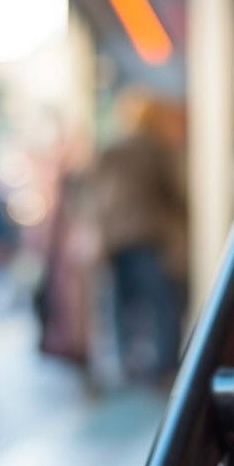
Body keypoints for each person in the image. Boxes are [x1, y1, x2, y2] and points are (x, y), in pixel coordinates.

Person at [79, 93, 187, 383]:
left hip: (115, 238)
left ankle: (125, 361)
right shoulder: (155, 148)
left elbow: (91, 193)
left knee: (122, 304)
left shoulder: (110, 149)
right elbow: (175, 192)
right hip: (147, 235)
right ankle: (163, 365)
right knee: (161, 303)